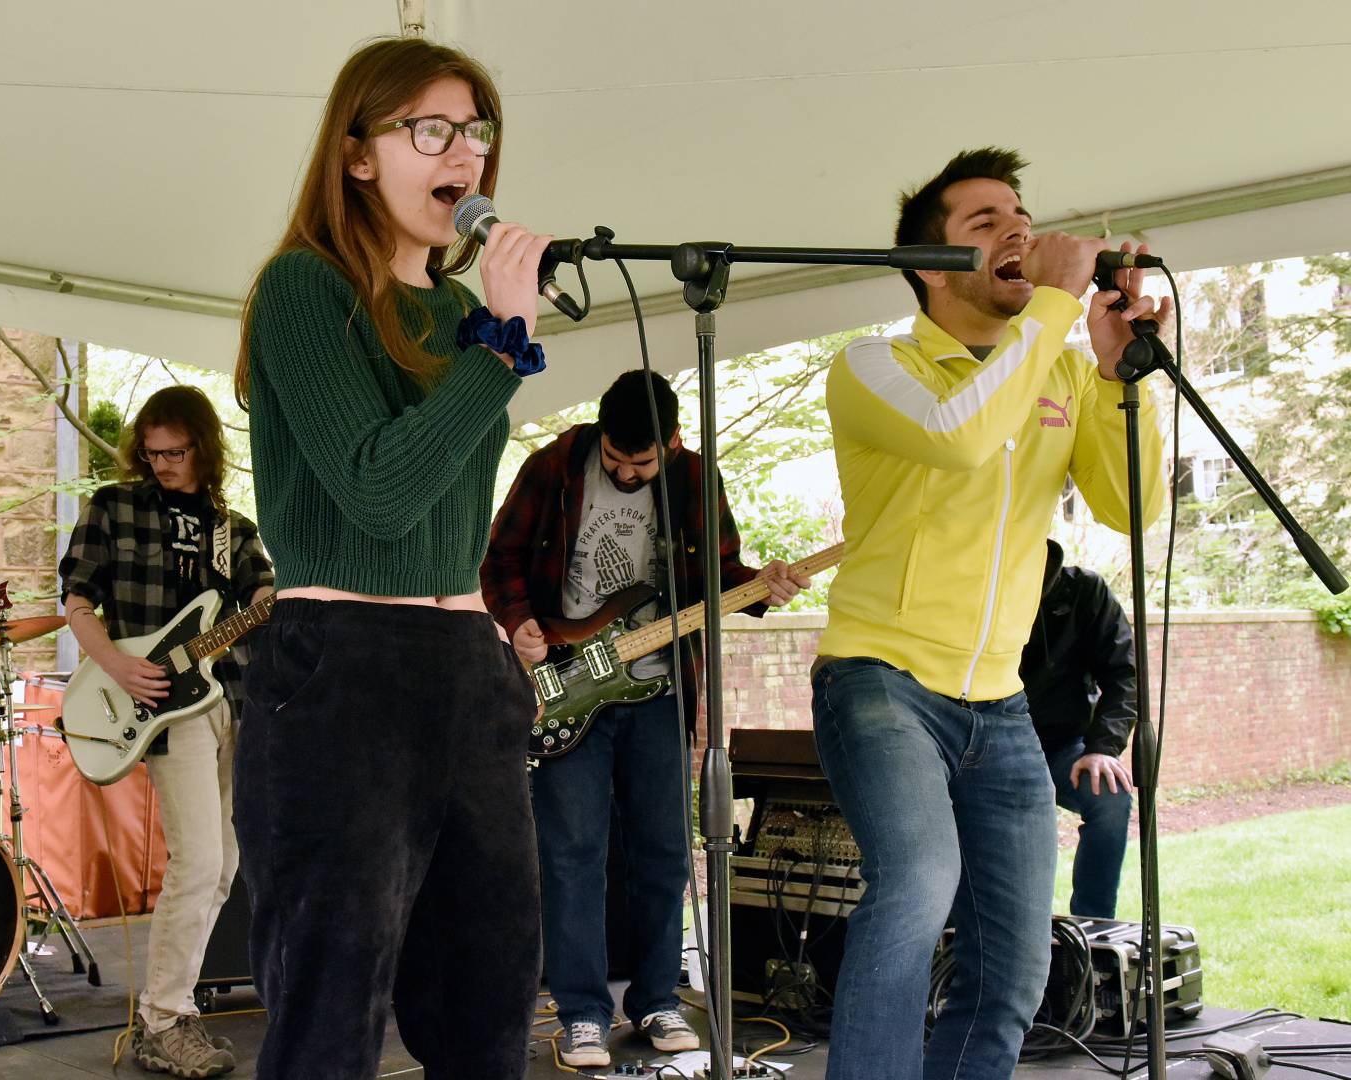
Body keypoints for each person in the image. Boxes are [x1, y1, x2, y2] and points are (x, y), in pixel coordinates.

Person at [810, 146, 1167, 1080]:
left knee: (1014, 957)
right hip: (882, 678)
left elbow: (1132, 507)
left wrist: (1121, 374)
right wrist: (1052, 311)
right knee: (918, 888)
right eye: (985, 224)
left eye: (1022, 214)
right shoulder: (872, 365)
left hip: (1000, 703)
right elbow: (960, 437)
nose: (1019, 230)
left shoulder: (1057, 368)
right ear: (933, 269)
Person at [231, 36, 549, 1080]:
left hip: (466, 662)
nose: (462, 151)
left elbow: (451, 503)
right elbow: (377, 490)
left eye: (474, 132)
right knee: (333, 1008)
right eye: (431, 129)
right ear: (359, 153)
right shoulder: (303, 290)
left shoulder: (461, 314)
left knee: (490, 1005)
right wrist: (500, 350)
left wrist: (495, 647)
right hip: (344, 661)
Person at [482, 369, 806, 1067]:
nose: (628, 473)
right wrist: (520, 623)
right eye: (617, 459)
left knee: (664, 851)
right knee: (572, 856)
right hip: (569, 689)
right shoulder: (555, 465)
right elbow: (499, 556)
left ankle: (658, 998)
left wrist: (763, 587)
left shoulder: (693, 479)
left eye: (642, 462)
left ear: (674, 442)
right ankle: (581, 1014)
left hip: (661, 692)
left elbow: (719, 574)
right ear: (600, 438)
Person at [59, 385, 274, 1078]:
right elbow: (77, 599)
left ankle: (172, 1007)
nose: (162, 465)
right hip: (156, 701)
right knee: (200, 862)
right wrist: (117, 664)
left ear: (203, 448)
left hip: (226, 698)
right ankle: (162, 1018)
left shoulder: (230, 527)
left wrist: (275, 597)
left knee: (226, 867)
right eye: (152, 454)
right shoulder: (114, 508)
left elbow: (259, 594)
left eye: (176, 453)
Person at [1020, 538, 1136, 919]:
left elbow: (1124, 675)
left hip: (1063, 746)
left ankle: (1092, 928)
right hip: (988, 748)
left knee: (1110, 796)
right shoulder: (970, 592)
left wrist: (1102, 747)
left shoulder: (1086, 591)